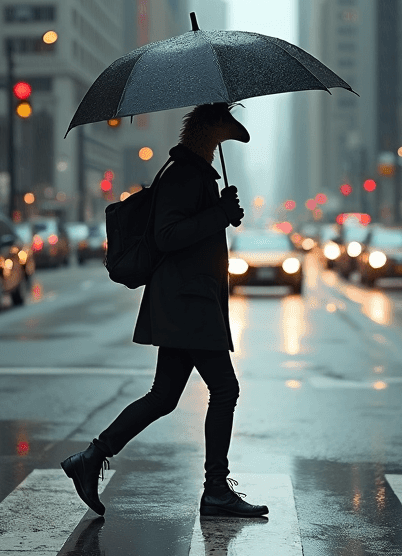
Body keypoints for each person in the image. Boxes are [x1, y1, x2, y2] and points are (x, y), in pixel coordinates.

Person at [61, 103, 268, 519]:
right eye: (226, 123)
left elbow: (192, 228)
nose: (234, 130)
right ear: (208, 128)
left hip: (185, 301)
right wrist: (219, 214)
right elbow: (168, 235)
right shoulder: (184, 175)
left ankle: (91, 457)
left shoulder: (192, 173)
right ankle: (215, 489)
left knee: (163, 396)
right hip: (187, 303)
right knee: (224, 390)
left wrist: (221, 212)